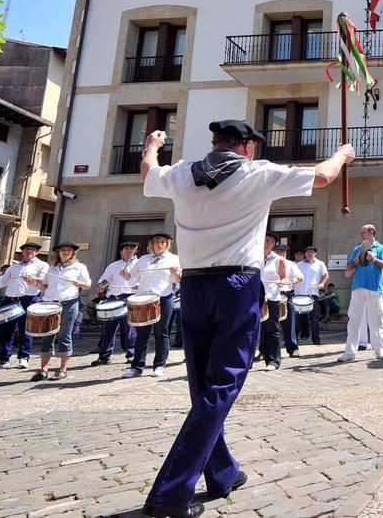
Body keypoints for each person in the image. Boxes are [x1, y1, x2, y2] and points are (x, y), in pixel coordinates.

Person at [138, 118, 352, 517]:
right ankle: (170, 494)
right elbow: (322, 177)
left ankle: (222, 473)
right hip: (236, 285)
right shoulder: (258, 174)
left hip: (194, 286)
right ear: (248, 147)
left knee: (203, 385)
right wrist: (343, 153)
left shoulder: (184, 172)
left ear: (216, 143)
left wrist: (151, 144)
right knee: (222, 385)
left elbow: (148, 173)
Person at [31, 243, 91, 381]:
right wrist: (34, 283)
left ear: (73, 253)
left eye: (68, 250)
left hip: (68, 303)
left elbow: (88, 284)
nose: (65, 252)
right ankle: (43, 370)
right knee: (47, 335)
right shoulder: (51, 268)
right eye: (63, 250)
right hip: (49, 304)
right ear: (58, 252)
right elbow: (45, 286)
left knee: (64, 335)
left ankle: (63, 369)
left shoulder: (79, 267)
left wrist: (79, 283)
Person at [124, 233, 181, 378]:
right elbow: (131, 276)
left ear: (167, 244)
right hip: (144, 299)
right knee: (141, 335)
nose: (160, 244)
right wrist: (126, 275)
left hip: (163, 298)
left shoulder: (173, 259)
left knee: (161, 333)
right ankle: (137, 367)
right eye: (157, 242)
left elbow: (179, 280)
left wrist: (176, 273)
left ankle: (159, 365)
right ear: (152, 244)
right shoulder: (143, 259)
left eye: (163, 242)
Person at [0, 242, 49, 370]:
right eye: (27, 249)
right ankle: (3, 358)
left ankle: (24, 357)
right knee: (4, 330)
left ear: (36, 252)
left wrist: (34, 281)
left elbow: (44, 281)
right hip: (10, 300)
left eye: (32, 249)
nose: (29, 251)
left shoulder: (42, 265)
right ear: (23, 252)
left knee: (26, 330)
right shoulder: (14, 267)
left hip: (28, 299)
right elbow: (2, 280)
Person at [339, 224, 383, 362]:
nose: (361, 234)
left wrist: (374, 259)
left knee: (377, 319)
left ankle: (380, 350)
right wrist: (355, 261)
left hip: (375, 287)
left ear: (371, 233)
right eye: (361, 232)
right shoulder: (357, 248)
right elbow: (348, 268)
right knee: (354, 319)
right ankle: (350, 352)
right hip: (358, 287)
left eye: (363, 232)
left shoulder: (381, 248)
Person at [92, 243, 139, 366]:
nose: (129, 251)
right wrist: (101, 286)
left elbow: (145, 280)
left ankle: (131, 354)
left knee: (131, 328)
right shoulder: (113, 266)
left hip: (131, 296)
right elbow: (106, 279)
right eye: (126, 248)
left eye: (131, 249)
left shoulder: (140, 265)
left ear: (136, 251)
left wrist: (140, 285)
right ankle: (104, 356)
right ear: (121, 252)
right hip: (113, 298)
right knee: (108, 329)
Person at [258, 234, 288, 370]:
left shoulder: (278, 260)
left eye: (269, 241)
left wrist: (281, 283)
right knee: (254, 328)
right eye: (264, 240)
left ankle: (274, 360)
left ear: (273, 244)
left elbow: (284, 278)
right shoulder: (255, 258)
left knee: (272, 329)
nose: (265, 243)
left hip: (271, 297)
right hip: (256, 296)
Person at [275, 243, 304, 358]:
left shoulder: (291, 264)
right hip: (271, 296)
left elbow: (300, 276)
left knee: (289, 324)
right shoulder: (268, 263)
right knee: (267, 325)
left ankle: (293, 349)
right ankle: (263, 350)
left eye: (284, 252)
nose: (282, 254)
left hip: (287, 296)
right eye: (279, 251)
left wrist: (296, 279)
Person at [296, 246, 329, 345]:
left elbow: (326, 275)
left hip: (313, 293)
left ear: (315, 253)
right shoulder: (299, 264)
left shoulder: (320, 264)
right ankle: (294, 340)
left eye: (311, 252)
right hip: (300, 293)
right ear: (305, 254)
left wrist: (322, 283)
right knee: (298, 317)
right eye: (307, 252)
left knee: (314, 317)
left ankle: (316, 339)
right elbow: (294, 275)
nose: (309, 254)